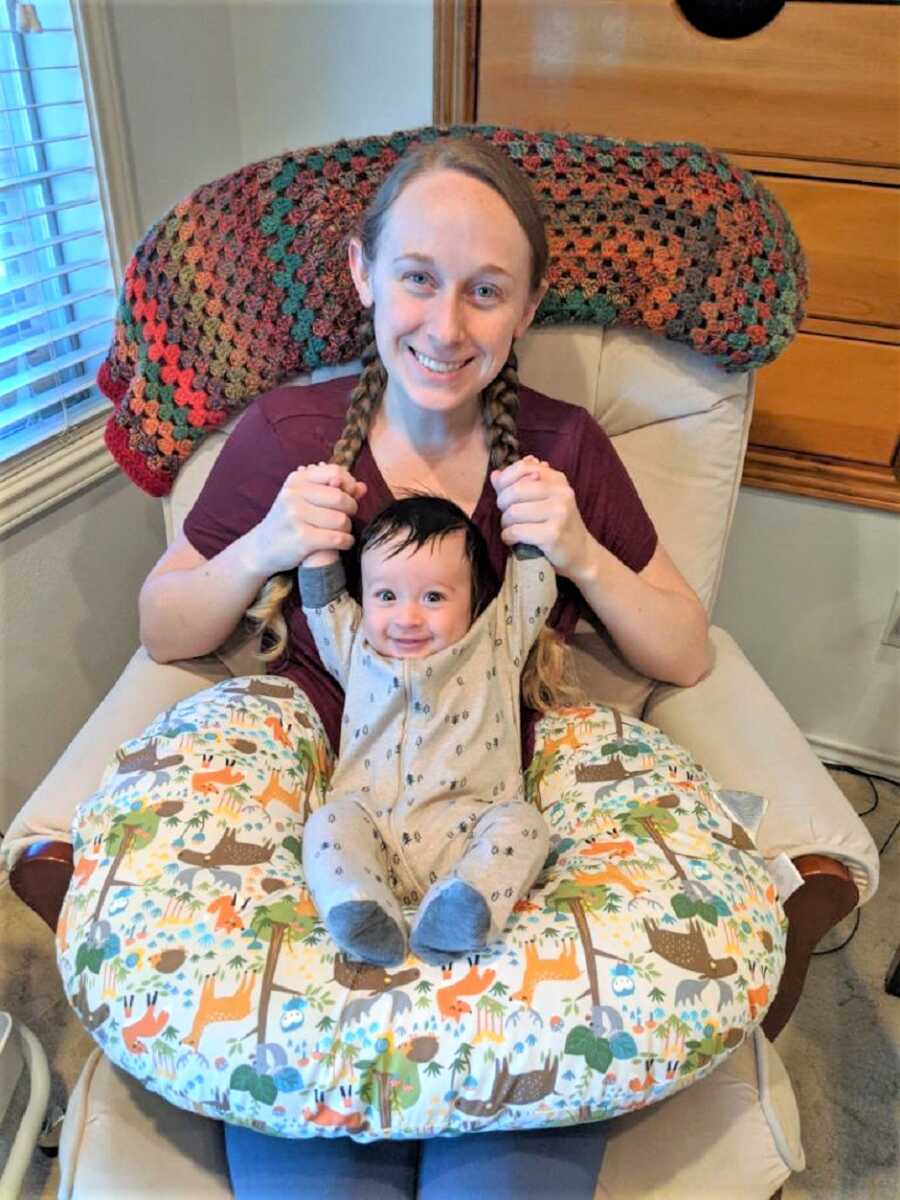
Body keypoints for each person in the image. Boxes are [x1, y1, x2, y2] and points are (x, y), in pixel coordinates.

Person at [139, 134, 712, 1200]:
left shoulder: (561, 446)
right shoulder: (290, 436)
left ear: (528, 305)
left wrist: (583, 550)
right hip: (338, 837)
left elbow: (687, 647)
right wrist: (262, 545)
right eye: (416, 279)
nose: (445, 327)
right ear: (364, 274)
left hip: (491, 838)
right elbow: (165, 624)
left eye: (485, 292)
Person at [299, 491, 566, 969]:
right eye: (386, 595)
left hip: (467, 831)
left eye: (434, 597)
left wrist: (529, 512)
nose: (407, 617)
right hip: (370, 823)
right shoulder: (357, 648)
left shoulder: (495, 644)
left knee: (525, 826)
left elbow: (533, 587)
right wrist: (319, 535)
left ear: (474, 600)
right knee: (327, 823)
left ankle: (466, 904)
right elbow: (322, 602)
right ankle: (362, 907)